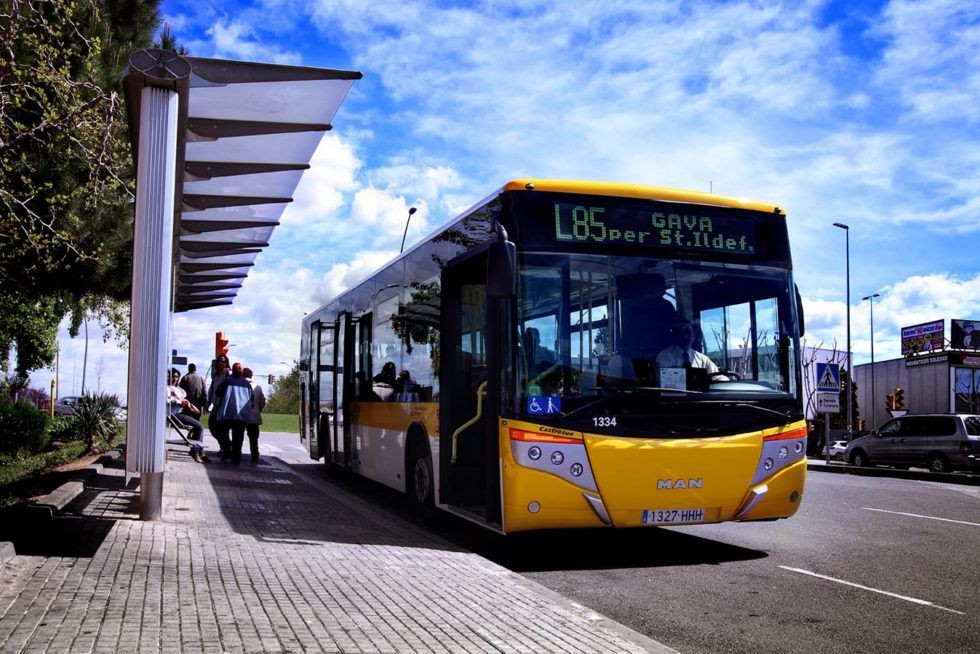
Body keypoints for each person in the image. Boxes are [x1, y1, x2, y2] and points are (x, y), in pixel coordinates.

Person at [213, 362, 253, 464]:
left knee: (222, 433)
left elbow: (218, 392)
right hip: (241, 415)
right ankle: (236, 458)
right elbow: (252, 400)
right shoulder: (247, 384)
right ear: (242, 371)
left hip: (227, 414)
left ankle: (227, 450)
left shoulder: (227, 381)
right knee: (238, 438)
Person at [167, 368, 208, 463]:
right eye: (173, 376)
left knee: (197, 426)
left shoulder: (178, 389)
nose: (175, 379)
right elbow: (167, 400)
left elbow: (184, 400)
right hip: (174, 414)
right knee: (200, 426)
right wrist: (180, 402)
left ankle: (200, 451)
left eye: (177, 377)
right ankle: (195, 451)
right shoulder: (166, 388)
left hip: (181, 412)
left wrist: (191, 405)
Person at [656, 319, 722, 375]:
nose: (685, 336)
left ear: (694, 336)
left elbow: (718, 377)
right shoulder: (665, 357)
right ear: (676, 335)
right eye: (681, 333)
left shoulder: (703, 360)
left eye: (688, 332)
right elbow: (664, 384)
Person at [207, 355, 231, 458]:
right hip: (215, 405)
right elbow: (212, 389)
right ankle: (226, 445)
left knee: (222, 429)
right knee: (212, 427)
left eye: (223, 361)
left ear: (226, 363)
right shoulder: (216, 375)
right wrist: (208, 402)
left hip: (224, 406)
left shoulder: (228, 375)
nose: (221, 363)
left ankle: (225, 448)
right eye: (219, 361)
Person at [242, 368, 266, 463]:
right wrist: (258, 409)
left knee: (239, 436)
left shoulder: (241, 385)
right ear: (251, 375)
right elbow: (263, 401)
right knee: (253, 438)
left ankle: (236, 454)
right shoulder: (258, 387)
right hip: (254, 415)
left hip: (242, 415)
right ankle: (254, 455)